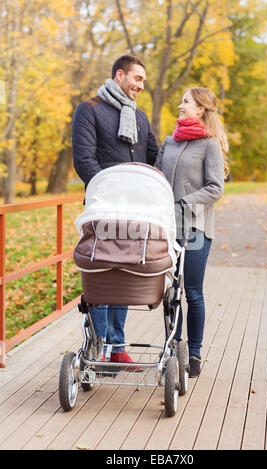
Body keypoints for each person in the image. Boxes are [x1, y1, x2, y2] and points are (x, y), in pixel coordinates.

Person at [72, 54, 159, 366]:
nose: (140, 86)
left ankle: (117, 346)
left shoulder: (140, 117)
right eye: (137, 78)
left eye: (143, 81)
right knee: (100, 272)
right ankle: (98, 344)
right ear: (120, 75)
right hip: (102, 209)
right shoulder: (90, 109)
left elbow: (154, 157)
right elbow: (84, 160)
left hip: (135, 212)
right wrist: (111, 192)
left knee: (124, 272)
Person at [155, 86, 229, 377]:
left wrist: (183, 204)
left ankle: (194, 353)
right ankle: (174, 348)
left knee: (193, 292)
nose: (179, 105)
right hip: (167, 227)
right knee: (170, 293)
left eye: (185, 101)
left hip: (196, 228)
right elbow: (158, 179)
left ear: (200, 109)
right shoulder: (169, 141)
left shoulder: (210, 145)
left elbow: (215, 188)